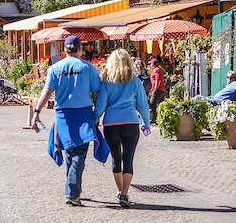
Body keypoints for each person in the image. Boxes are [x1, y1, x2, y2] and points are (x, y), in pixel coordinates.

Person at [32, 35, 102, 207]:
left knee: (70, 151)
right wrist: (97, 115)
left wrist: (36, 112)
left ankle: (74, 189)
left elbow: (47, 92)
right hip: (84, 114)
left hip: (63, 116)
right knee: (79, 153)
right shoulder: (88, 68)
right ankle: (72, 192)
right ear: (80, 49)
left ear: (65, 49)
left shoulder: (55, 68)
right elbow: (96, 94)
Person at [93, 49, 151, 208]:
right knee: (128, 159)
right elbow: (143, 105)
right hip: (131, 123)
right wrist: (146, 122)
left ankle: (119, 190)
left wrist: (95, 118)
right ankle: (125, 192)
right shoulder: (134, 81)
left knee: (116, 158)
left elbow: (101, 105)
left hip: (111, 124)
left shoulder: (106, 80)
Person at [148, 57, 167, 124]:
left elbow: (157, 79)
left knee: (152, 103)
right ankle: (160, 118)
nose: (150, 65)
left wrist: (155, 88)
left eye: (150, 64)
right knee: (160, 104)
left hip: (158, 89)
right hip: (161, 89)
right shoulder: (158, 69)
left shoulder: (156, 70)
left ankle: (154, 118)